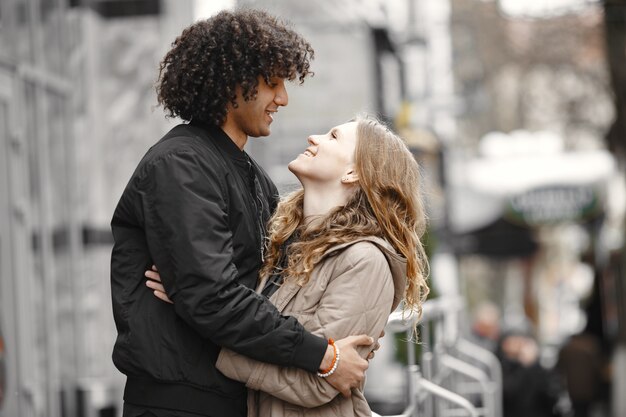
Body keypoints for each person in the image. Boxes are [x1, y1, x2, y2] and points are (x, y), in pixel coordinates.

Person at [110, 9, 372, 417]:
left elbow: (258, 288)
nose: (282, 98)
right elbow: (212, 298)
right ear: (232, 81)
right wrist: (324, 357)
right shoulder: (181, 164)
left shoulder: (253, 178)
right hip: (179, 403)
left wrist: (197, 290)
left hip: (233, 397)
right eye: (272, 83)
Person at [147, 116, 430, 416]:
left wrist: (210, 341)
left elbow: (318, 383)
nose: (313, 137)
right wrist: (197, 287)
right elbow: (255, 324)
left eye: (333, 137)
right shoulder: (285, 243)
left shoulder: (365, 261)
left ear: (352, 172)